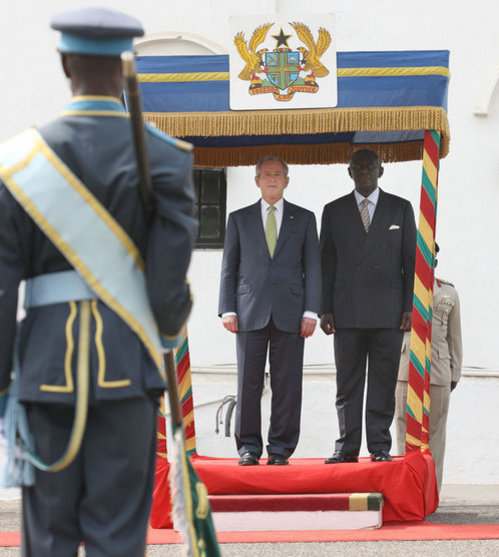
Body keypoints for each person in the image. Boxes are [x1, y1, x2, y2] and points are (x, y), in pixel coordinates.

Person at [0, 7, 196, 556]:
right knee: (116, 539)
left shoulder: (18, 162)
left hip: (44, 378)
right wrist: (171, 319)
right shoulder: (166, 157)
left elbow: (0, 291)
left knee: (48, 542)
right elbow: (165, 295)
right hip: (126, 377)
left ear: (66, 65)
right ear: (124, 68)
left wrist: (1, 384)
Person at [218, 156, 321, 466]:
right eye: (266, 174)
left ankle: (280, 449)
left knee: (287, 384)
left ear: (286, 181)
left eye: (278, 175)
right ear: (257, 180)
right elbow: (229, 267)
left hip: (292, 314)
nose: (272, 179)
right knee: (247, 383)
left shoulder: (303, 218)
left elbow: (313, 268)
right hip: (249, 312)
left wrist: (312, 311)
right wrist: (227, 309)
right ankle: (248, 447)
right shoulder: (239, 218)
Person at [320, 148, 417, 463]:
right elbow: (326, 264)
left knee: (383, 380)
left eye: (370, 167)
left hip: (389, 311)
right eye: (358, 167)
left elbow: (410, 261)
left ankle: (379, 446)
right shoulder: (333, 210)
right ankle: (346, 446)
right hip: (346, 311)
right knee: (347, 383)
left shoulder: (400, 209)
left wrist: (408, 306)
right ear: (349, 172)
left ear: (381, 171)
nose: (364, 171)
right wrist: (325, 309)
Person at [395, 243, 462, 491]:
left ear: (435, 261)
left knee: (435, 438)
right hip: (404, 369)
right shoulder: (401, 289)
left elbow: (454, 337)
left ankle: (431, 494)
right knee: (404, 434)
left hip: (438, 371)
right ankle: (407, 492)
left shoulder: (449, 293)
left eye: (430, 258)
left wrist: (454, 374)